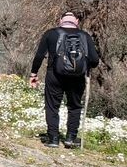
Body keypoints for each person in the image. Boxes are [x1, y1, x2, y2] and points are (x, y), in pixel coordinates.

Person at [29, 12, 101, 148]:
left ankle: (53, 139)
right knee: (74, 106)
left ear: (60, 20)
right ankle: (70, 139)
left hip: (54, 75)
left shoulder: (51, 33)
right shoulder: (85, 36)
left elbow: (39, 56)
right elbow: (95, 60)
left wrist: (33, 74)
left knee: (52, 106)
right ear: (77, 21)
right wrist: (84, 66)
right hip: (77, 77)